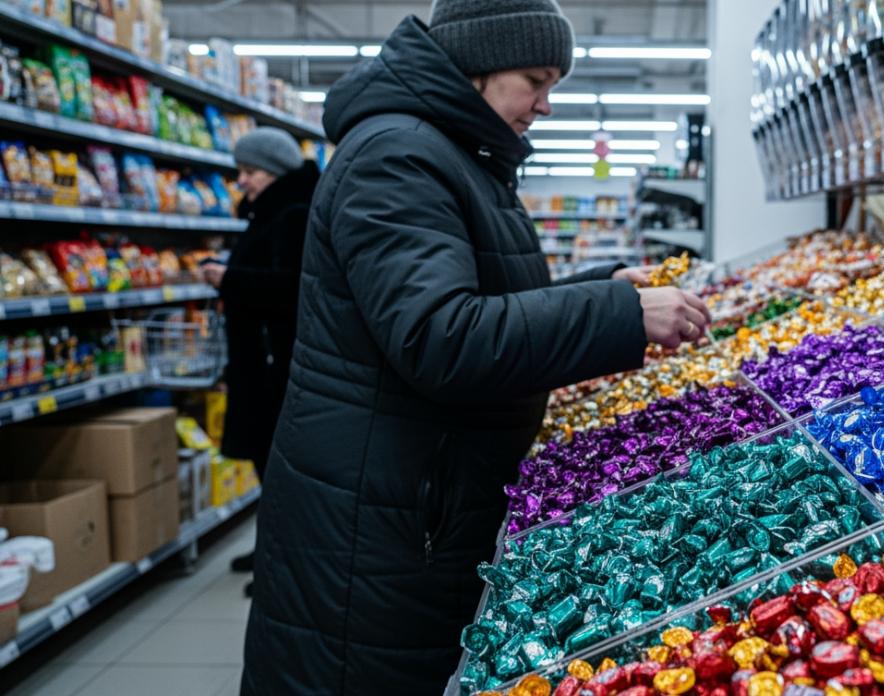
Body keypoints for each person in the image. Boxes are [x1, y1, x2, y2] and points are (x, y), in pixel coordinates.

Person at [239, 1, 711, 694]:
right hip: (383, 531)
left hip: (416, 504)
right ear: (475, 67)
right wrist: (619, 315)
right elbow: (440, 337)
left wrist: (598, 286)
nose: (545, 106)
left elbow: (467, 296)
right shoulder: (396, 157)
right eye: (536, 79)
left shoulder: (449, 152)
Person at [201, 127, 320, 593]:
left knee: (277, 467)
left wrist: (228, 277)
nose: (242, 180)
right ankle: (270, 548)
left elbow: (288, 288)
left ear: (274, 170)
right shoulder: (271, 210)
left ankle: (282, 564)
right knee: (265, 465)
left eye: (249, 171)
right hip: (260, 362)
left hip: (276, 364)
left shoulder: (292, 213)